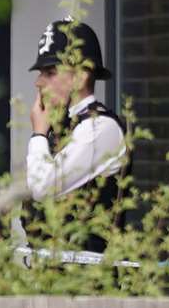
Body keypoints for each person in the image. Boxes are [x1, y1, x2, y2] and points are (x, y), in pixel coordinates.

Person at [24, 17, 129, 250]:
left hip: (89, 283)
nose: (38, 82)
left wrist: (39, 133)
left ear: (81, 77)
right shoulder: (66, 127)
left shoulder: (100, 128)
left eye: (50, 72)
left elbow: (43, 188)